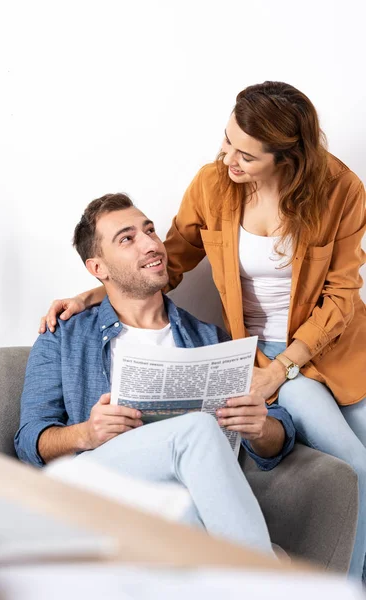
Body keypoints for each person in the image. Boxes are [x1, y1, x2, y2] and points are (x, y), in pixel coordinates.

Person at [38, 82, 366, 581]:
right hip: (262, 360)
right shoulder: (214, 186)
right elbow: (166, 260)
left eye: (246, 155)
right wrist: (93, 293)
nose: (228, 158)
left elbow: (342, 295)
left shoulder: (341, 190)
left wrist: (279, 375)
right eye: (227, 140)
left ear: (287, 157)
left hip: (332, 348)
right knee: (356, 473)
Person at [17, 193, 295, 555]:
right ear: (98, 269)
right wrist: (87, 432)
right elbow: (28, 442)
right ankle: (267, 577)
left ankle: (251, 574)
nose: (151, 244)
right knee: (196, 429)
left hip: (172, 493)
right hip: (98, 480)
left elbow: (278, 433)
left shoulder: (207, 339)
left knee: (188, 514)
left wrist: (261, 427)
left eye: (150, 230)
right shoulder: (63, 335)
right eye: (127, 238)